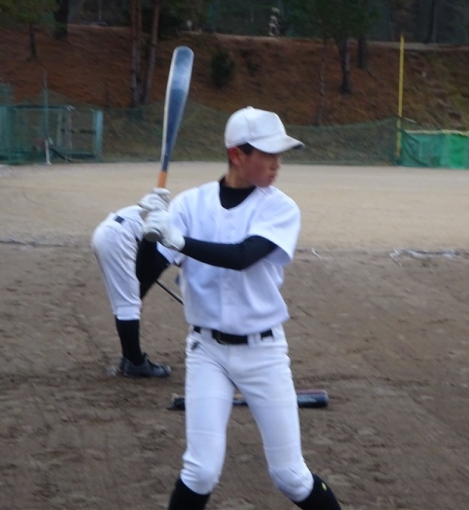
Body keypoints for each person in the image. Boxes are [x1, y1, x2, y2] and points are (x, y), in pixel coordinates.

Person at [136, 106, 342, 509]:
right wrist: (150, 233)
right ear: (237, 155)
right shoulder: (190, 204)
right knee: (200, 471)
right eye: (268, 154)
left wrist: (179, 241)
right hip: (207, 352)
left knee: (290, 475)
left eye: (279, 154)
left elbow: (243, 255)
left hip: (264, 353)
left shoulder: (280, 207)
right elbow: (145, 274)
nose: (277, 163)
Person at [91, 193, 173, 378]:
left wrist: (139, 293)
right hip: (118, 238)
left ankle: (129, 359)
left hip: (106, 233)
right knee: (128, 304)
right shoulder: (173, 226)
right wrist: (140, 294)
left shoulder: (163, 215)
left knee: (126, 304)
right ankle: (135, 363)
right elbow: (152, 269)